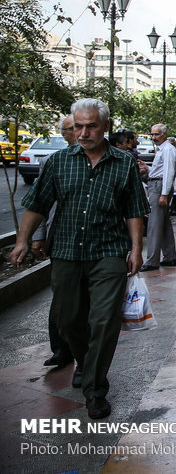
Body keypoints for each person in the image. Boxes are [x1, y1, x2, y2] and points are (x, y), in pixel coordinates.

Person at [8, 98, 149, 420]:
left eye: (91, 126)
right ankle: (85, 362)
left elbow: (134, 211)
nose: (84, 133)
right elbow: (37, 203)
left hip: (108, 252)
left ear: (106, 127)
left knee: (104, 320)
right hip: (67, 253)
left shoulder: (123, 163)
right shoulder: (58, 162)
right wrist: (22, 240)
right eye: (78, 126)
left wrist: (137, 249)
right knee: (69, 319)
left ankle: (95, 390)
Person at [31, 115, 76, 368]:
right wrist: (37, 237)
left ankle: (85, 358)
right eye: (72, 129)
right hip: (59, 240)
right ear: (64, 134)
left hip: (94, 244)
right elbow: (40, 203)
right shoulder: (52, 162)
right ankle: (61, 349)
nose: (79, 134)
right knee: (60, 298)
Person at [140, 123, 176, 271]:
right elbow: (160, 170)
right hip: (157, 185)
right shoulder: (163, 149)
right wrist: (148, 168)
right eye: (152, 134)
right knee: (163, 224)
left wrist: (163, 194)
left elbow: (169, 173)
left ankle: (152, 260)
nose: (154, 137)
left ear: (164, 134)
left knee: (154, 225)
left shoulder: (168, 149)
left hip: (160, 187)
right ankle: (169, 256)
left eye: (156, 134)